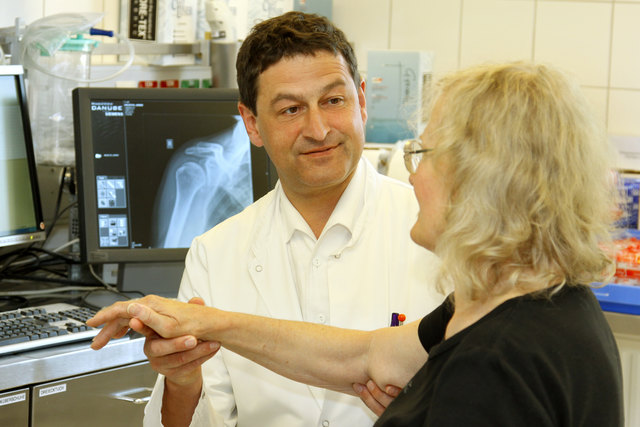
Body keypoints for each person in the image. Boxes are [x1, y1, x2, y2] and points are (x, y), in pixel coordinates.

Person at [90, 61, 624, 426]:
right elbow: (365, 354)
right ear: (252, 123)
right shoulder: (533, 304)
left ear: (481, 182)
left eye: (425, 154)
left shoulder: (492, 363)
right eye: (290, 108)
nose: (413, 176)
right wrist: (207, 323)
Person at [113, 11, 443, 427]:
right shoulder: (216, 254)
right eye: (290, 110)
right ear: (252, 123)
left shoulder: (440, 232)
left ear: (361, 100)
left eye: (333, 101)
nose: (319, 129)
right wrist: (182, 381)